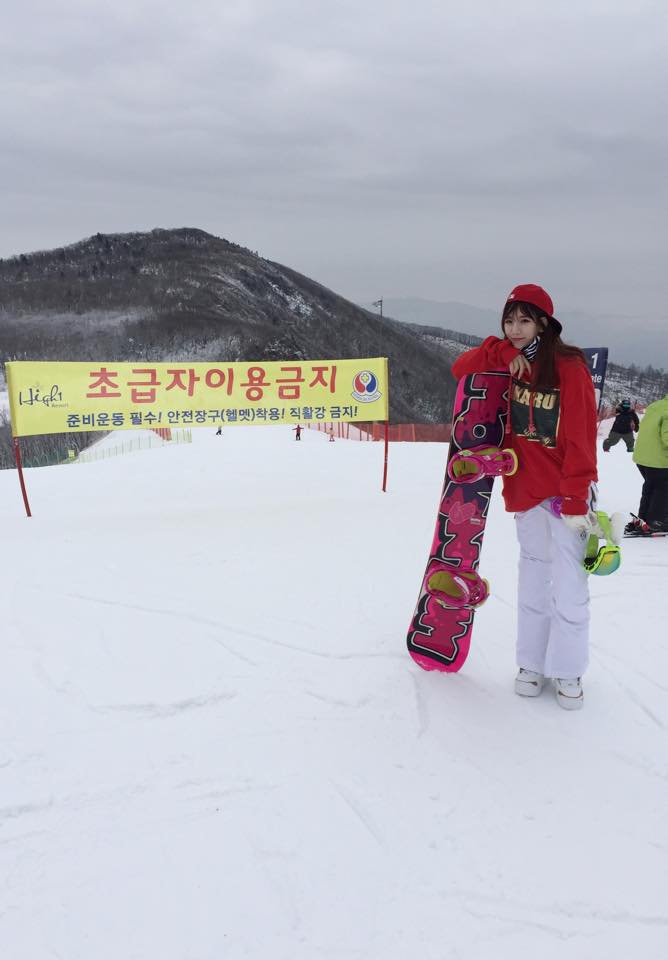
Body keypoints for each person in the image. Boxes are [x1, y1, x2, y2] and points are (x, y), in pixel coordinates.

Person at [451, 283, 598, 710]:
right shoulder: (509, 360)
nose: (515, 329)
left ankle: (568, 669)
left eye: (524, 320)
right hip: (525, 489)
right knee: (533, 578)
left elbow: (582, 438)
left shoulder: (569, 368)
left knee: (570, 585)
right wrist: (499, 353)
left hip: (566, 492)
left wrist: (576, 498)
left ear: (544, 323)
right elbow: (461, 368)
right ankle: (531, 664)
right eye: (509, 321)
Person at [625, 393, 668, 535]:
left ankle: (644, 517)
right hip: (658, 460)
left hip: (643, 457)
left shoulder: (657, 405)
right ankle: (656, 521)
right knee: (662, 488)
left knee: (651, 486)